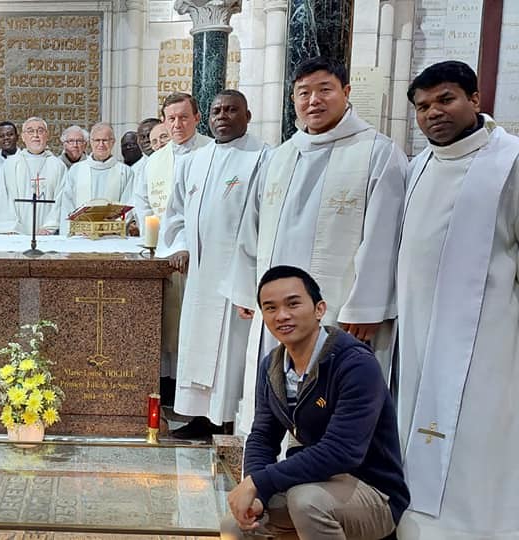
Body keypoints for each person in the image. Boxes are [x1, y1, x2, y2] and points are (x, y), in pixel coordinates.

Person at [229, 56, 406, 435]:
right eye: (303, 93)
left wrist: (366, 305)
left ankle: (326, 478)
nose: (313, 101)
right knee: (276, 392)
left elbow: (383, 236)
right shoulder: (280, 155)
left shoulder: (377, 151)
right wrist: (247, 289)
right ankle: (268, 467)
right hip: (276, 309)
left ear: (346, 92)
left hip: (340, 309)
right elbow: (252, 228)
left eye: (324, 90)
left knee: (329, 404)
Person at [395, 61, 519, 539]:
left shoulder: (509, 161)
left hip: (487, 334)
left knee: (477, 431)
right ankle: (418, 520)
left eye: (445, 100)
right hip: (420, 328)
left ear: (476, 100)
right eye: (423, 107)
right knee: (417, 423)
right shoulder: (420, 162)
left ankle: (480, 527)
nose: (433, 114)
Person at [221, 265, 408, 540]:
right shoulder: (272, 366)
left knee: (305, 501)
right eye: (270, 308)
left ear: (319, 309)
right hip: (316, 482)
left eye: (293, 304)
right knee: (234, 525)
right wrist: (258, 493)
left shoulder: (355, 364)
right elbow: (263, 437)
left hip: (373, 491)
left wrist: (261, 482)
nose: (282, 315)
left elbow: (342, 451)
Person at [162, 90, 269, 439]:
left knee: (231, 354)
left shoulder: (263, 158)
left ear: (247, 116)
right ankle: (200, 418)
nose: (222, 116)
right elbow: (175, 212)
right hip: (200, 275)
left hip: (237, 277)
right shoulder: (195, 160)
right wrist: (180, 245)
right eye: (216, 110)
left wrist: (254, 281)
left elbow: (266, 221)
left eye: (231, 110)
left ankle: (227, 420)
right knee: (197, 348)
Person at [134, 92, 210, 405]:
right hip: (164, 255)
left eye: (183, 117)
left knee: (196, 328)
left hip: (202, 257)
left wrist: (189, 245)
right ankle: (167, 389)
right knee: (166, 324)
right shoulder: (155, 161)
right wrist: (156, 241)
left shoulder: (211, 151)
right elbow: (142, 202)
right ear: (164, 120)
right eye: (171, 118)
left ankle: (195, 398)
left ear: (197, 118)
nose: (177, 124)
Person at [0, 117, 68, 234]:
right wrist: (10, 227)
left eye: (40, 131)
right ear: (23, 137)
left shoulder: (58, 165)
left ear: (47, 135)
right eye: (30, 131)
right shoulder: (11, 164)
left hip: (47, 234)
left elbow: (62, 200)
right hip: (14, 233)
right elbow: (0, 197)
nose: (36, 135)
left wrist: (49, 227)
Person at [58, 122, 135, 233]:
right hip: (80, 235)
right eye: (97, 140)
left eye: (105, 140)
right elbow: (67, 205)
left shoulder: (125, 171)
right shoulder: (76, 170)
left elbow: (128, 205)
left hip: (112, 235)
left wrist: (110, 227)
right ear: (90, 142)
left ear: (113, 142)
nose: (101, 144)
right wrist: (67, 233)